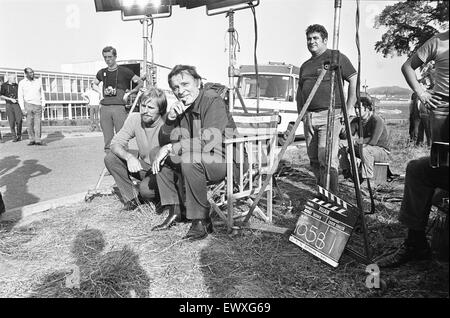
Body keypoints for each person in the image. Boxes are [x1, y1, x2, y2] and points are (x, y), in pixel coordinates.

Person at [379, 30, 449, 267]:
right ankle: (416, 244)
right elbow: (408, 66)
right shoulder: (438, 42)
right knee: (430, 167)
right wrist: (421, 92)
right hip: (441, 112)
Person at [151, 65, 243, 241]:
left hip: (225, 158)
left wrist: (171, 148)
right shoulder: (181, 106)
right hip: (199, 155)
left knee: (188, 159)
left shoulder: (211, 99)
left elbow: (210, 140)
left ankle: (201, 220)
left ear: (198, 83)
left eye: (185, 84)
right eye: (175, 88)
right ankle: (176, 210)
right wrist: (170, 120)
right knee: (158, 153)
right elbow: (163, 142)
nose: (180, 91)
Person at [296, 24, 357, 194]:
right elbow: (299, 92)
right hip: (309, 117)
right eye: (309, 38)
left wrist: (349, 107)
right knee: (314, 159)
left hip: (330, 115)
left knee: (327, 158)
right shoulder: (305, 66)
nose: (311, 41)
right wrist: (300, 113)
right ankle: (323, 192)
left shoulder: (336, 57)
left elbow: (353, 78)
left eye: (315, 38)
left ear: (324, 40)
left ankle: (331, 198)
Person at [104, 87, 166, 211]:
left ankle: (160, 196)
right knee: (111, 158)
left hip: (163, 170)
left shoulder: (167, 122)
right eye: (143, 106)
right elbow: (115, 143)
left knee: (146, 190)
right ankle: (132, 199)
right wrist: (129, 157)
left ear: (161, 110)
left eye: (151, 108)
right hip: (145, 166)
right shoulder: (135, 119)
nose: (145, 111)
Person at [92, 46, 143, 152]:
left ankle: (124, 163)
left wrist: (130, 93)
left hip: (119, 108)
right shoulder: (102, 72)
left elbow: (140, 82)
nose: (107, 59)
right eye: (105, 57)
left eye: (110, 56)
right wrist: (99, 93)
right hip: (104, 108)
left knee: (122, 138)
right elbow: (94, 84)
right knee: (108, 139)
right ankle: (110, 164)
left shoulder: (125, 71)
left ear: (115, 56)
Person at [339, 96, 390, 182]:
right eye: (355, 108)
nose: (356, 111)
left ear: (367, 109)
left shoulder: (377, 120)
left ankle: (367, 179)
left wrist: (355, 142)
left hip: (381, 151)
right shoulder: (356, 120)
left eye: (359, 108)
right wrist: (342, 126)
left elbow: (373, 141)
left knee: (365, 150)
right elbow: (345, 136)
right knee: (341, 146)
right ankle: (346, 172)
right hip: (364, 148)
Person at [18, 67, 46, 146]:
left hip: (38, 105)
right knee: (29, 123)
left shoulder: (38, 81)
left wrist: (43, 104)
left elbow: (42, 93)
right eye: (30, 72)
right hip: (28, 105)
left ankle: (38, 140)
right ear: (26, 74)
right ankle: (32, 139)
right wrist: (22, 108)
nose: (32, 74)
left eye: (32, 72)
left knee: (38, 123)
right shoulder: (22, 83)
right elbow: (20, 96)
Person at [1, 74, 23, 142]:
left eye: (15, 78)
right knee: (11, 121)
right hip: (9, 104)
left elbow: (21, 94)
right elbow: (1, 95)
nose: (15, 79)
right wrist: (10, 99)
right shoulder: (4, 85)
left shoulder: (17, 85)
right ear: (9, 79)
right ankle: (14, 137)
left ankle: (19, 135)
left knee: (19, 120)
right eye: (13, 78)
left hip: (17, 104)